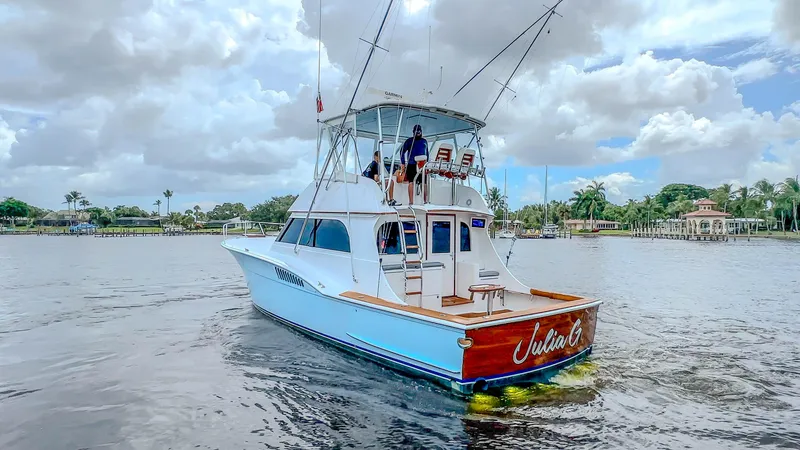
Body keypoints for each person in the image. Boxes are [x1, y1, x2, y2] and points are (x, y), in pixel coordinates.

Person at [399, 124, 428, 205]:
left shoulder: (424, 141)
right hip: (411, 164)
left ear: (421, 132)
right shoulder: (409, 141)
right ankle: (411, 201)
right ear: (413, 132)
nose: (418, 133)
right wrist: (403, 163)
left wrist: (427, 164)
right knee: (411, 182)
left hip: (422, 165)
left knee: (424, 183)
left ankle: (425, 201)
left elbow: (427, 154)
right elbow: (402, 152)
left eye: (419, 131)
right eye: (416, 131)